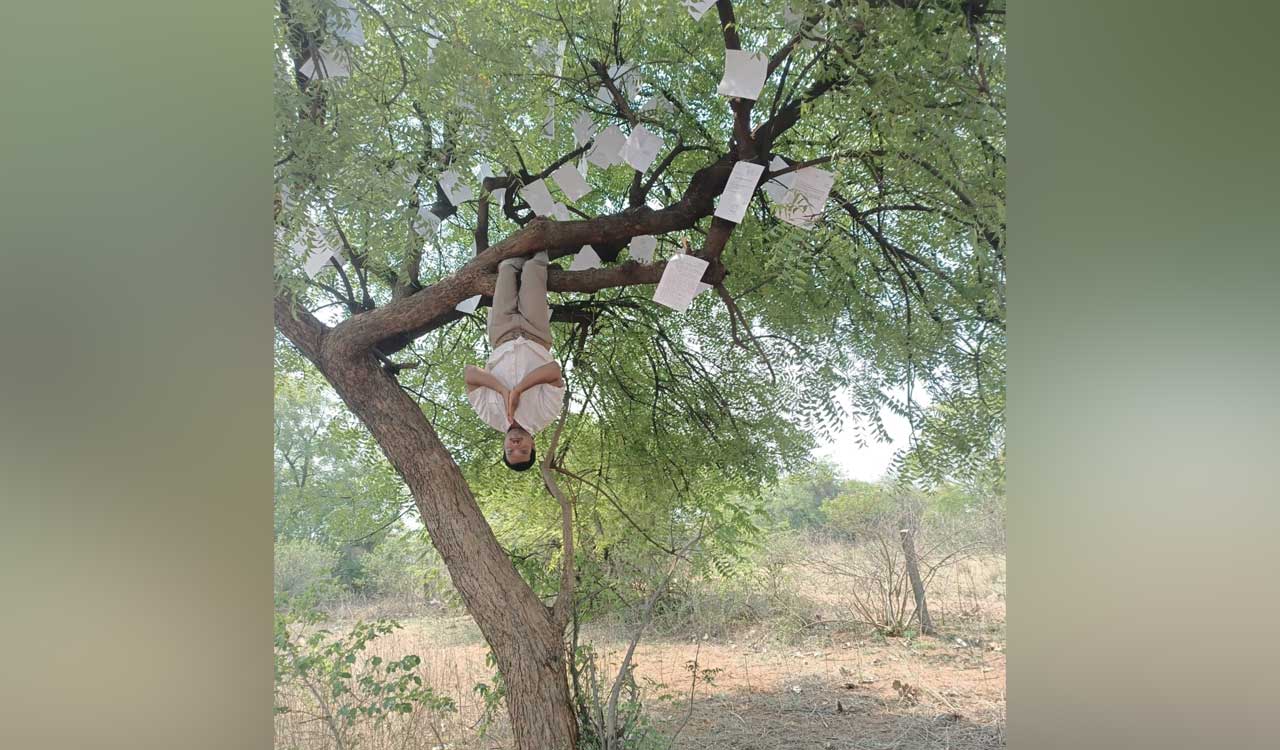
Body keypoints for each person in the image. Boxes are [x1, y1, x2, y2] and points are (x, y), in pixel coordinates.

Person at [464, 251, 565, 471]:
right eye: (524, 451)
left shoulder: (490, 416)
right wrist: (518, 390)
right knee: (534, 267)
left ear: (503, 447)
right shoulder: (546, 415)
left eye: (510, 451)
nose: (516, 446)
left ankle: (516, 250)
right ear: (533, 445)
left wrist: (502, 390)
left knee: (507, 268)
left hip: (501, 335)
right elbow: (554, 371)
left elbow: (470, 374)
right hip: (536, 334)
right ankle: (542, 241)